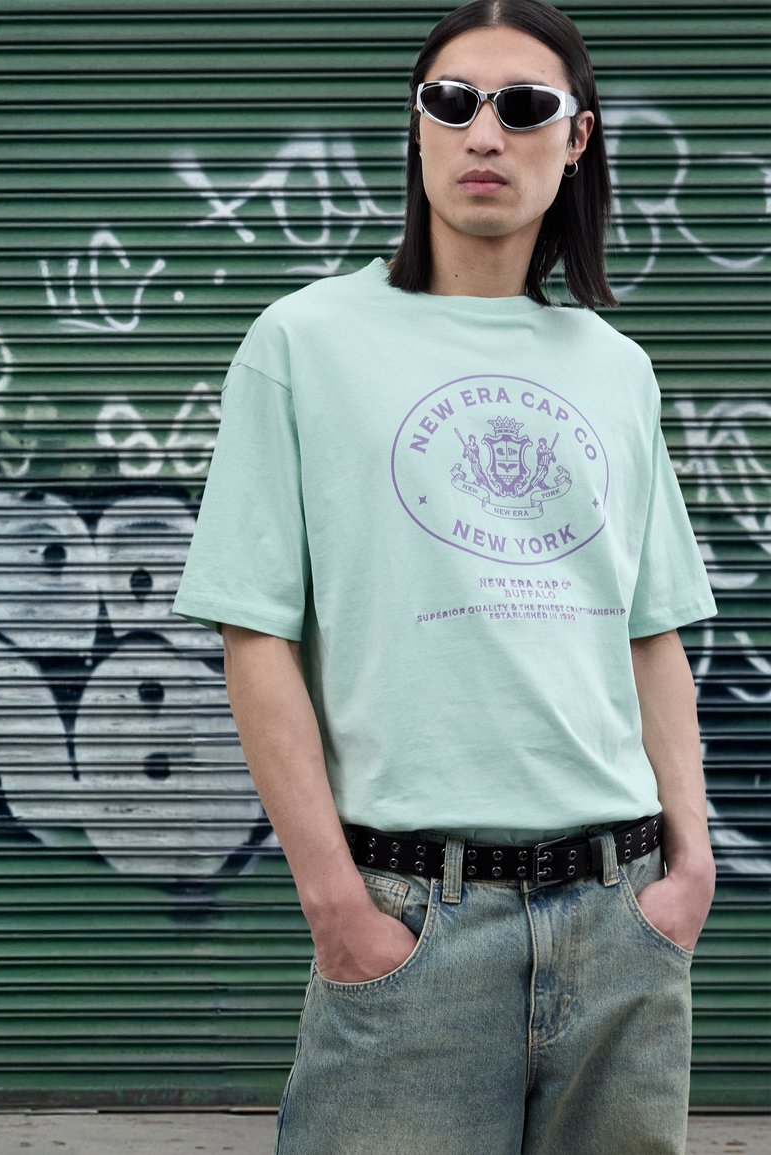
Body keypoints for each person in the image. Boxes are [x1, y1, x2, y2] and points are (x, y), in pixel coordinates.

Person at [171, 1, 718, 1151]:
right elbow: (253, 633)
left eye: (522, 107)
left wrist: (689, 869)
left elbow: (649, 628)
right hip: (410, 918)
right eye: (450, 101)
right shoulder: (303, 341)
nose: (483, 133)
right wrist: (333, 902)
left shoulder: (613, 369)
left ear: (573, 140)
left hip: (622, 918)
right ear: (414, 126)